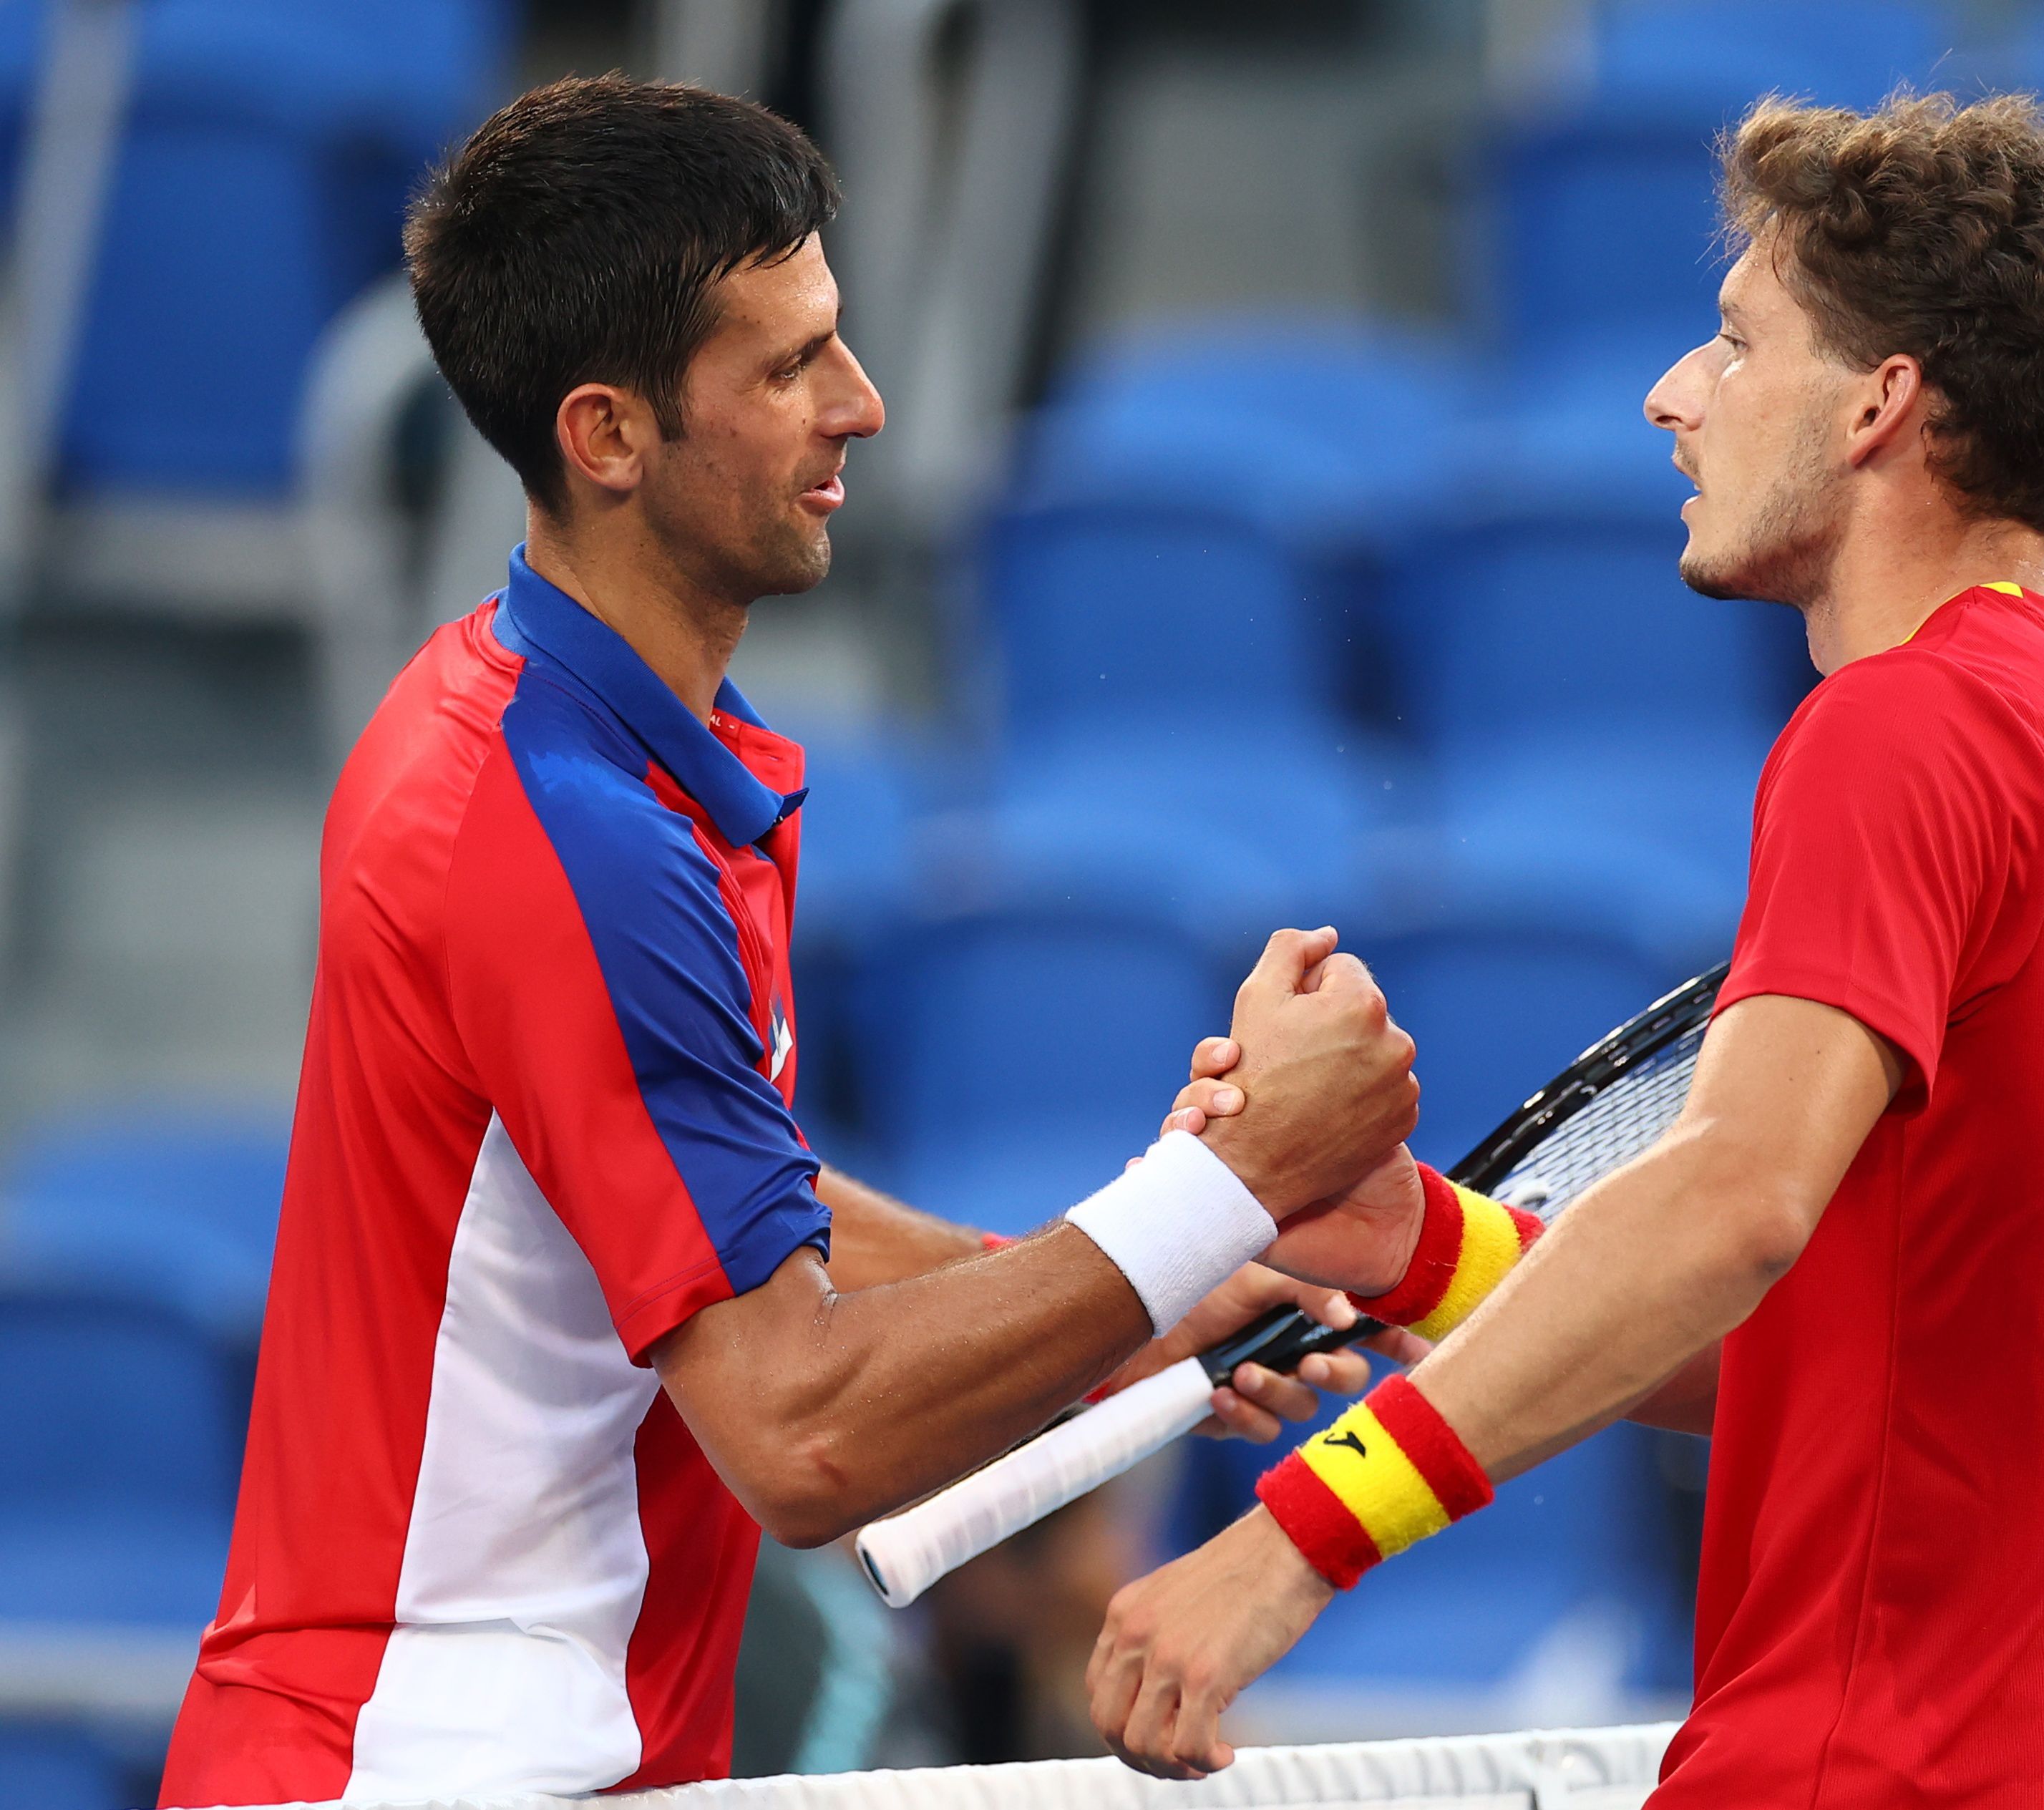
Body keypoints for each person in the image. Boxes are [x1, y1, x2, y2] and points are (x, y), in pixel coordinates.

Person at [158, 77, 1430, 1807]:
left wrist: (1119, 1306)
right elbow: (803, 1433)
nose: (864, 404)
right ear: (605, 436)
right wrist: (1224, 1181)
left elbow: (734, 1205)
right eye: (786, 367)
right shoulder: (566, 836)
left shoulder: (569, 750)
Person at [1091, 91, 2044, 1805]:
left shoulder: (1895, 729)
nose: (1672, 394)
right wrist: (1419, 1241)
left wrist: (1296, 1534)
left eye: (1735, 344)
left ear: (1880, 405)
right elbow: (1857, 1381)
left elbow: (1728, 1198)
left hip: (1880, 1771)